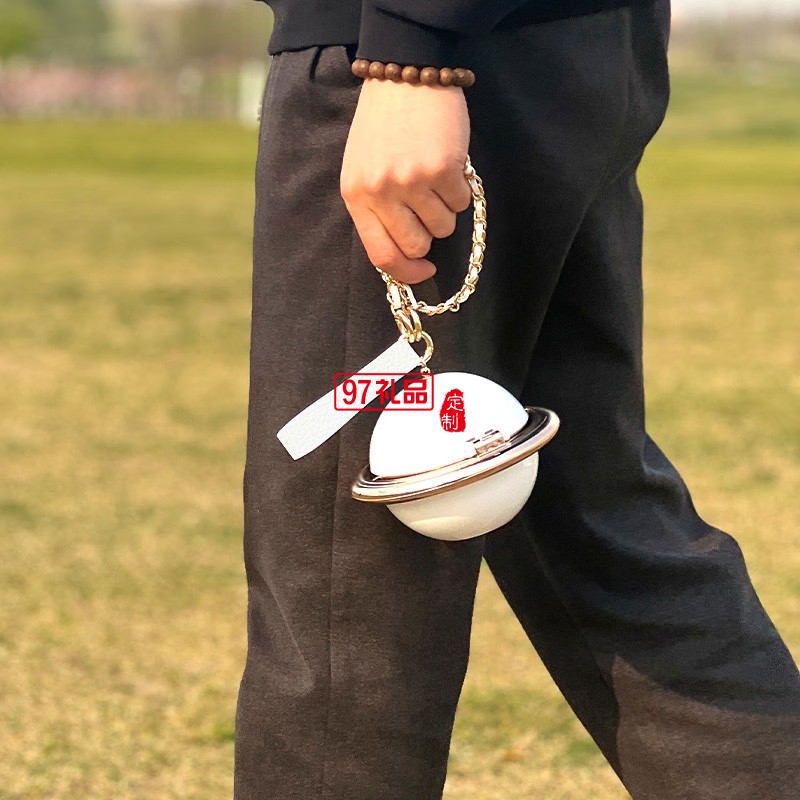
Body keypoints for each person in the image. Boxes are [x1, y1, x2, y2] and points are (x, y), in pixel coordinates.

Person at [233, 1, 800, 798]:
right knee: (600, 524)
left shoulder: (412, 55)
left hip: (416, 63)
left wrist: (413, 49)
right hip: (560, 48)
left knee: (344, 593)